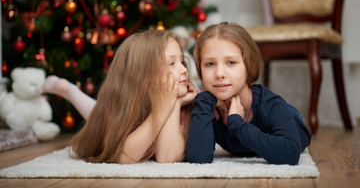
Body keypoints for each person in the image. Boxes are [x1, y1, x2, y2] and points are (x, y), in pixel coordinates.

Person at [43, 29, 197, 164]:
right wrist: (160, 111)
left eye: (182, 61)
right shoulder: (120, 105)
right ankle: (69, 90)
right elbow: (125, 157)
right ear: (142, 76)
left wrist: (173, 105)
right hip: (110, 115)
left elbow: (167, 158)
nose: (184, 69)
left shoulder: (185, 107)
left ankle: (68, 90)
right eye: (171, 63)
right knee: (95, 114)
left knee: (96, 112)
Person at [185, 22, 311, 165]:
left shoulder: (271, 104)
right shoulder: (207, 107)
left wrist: (237, 123)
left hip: (288, 116)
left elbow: (290, 155)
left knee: (285, 113)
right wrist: (204, 100)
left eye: (231, 62)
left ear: (248, 64)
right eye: (210, 64)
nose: (219, 74)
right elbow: (198, 159)